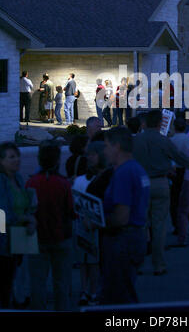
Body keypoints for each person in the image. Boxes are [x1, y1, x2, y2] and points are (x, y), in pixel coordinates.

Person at [133, 110, 189, 274]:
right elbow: (183, 160)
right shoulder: (163, 141)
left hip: (141, 183)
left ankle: (137, 263)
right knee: (159, 226)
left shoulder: (136, 140)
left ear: (144, 123)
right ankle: (158, 264)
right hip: (160, 182)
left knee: (140, 225)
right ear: (160, 123)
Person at [99, 127, 150, 304]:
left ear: (117, 147)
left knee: (118, 295)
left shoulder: (124, 173)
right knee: (126, 289)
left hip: (122, 240)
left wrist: (99, 221)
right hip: (135, 236)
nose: (104, 151)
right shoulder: (137, 169)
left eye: (106, 146)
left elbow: (121, 216)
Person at [27, 141, 76, 311]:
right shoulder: (62, 183)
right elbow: (71, 210)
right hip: (61, 236)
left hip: (38, 238)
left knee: (38, 282)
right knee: (62, 282)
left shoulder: (32, 182)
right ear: (57, 161)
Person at [0, 142, 36, 309]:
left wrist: (30, 217)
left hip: (20, 239)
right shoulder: (1, 181)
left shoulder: (19, 178)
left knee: (17, 281)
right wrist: (23, 219)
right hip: (4, 241)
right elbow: (2, 213)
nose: (17, 160)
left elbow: (26, 204)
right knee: (5, 284)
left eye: (17, 156)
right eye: (11, 157)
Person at [72, 141, 107, 306]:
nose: (89, 157)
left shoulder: (103, 178)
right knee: (85, 261)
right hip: (83, 223)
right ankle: (87, 291)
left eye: (92, 154)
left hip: (95, 225)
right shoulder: (81, 180)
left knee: (92, 262)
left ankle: (92, 291)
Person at [169, 118, 189, 234]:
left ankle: (177, 225)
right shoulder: (188, 139)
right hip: (186, 170)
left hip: (175, 171)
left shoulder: (171, 140)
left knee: (174, 200)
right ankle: (188, 224)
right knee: (187, 199)